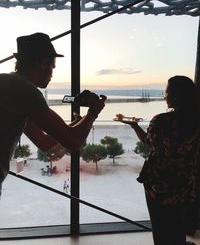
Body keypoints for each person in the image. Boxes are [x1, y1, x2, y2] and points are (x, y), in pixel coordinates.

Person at [0, 32, 106, 195]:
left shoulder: (9, 86)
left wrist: (75, 123)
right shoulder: (26, 91)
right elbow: (73, 142)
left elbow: (43, 141)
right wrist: (93, 113)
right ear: (43, 63)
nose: (52, 73)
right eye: (52, 67)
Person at [121, 76, 200, 245]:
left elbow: (150, 143)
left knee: (161, 227)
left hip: (160, 185)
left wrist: (134, 126)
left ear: (176, 95)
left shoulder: (162, 121)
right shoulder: (196, 120)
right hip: (185, 185)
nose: (165, 95)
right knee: (178, 225)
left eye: (167, 91)